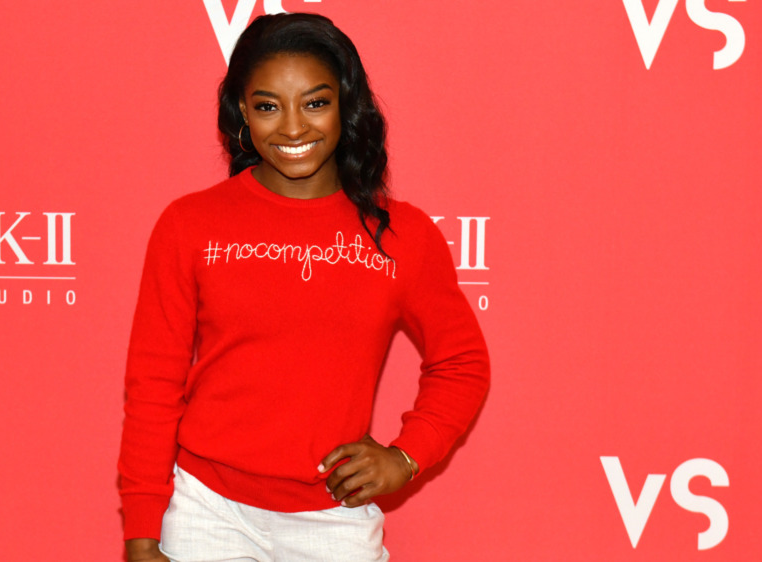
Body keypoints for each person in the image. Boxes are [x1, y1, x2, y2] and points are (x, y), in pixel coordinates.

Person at [119, 13, 489, 562]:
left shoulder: (402, 233)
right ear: (242, 112)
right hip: (206, 510)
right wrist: (143, 531)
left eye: (315, 102)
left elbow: (462, 363)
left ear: (346, 103)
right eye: (268, 106)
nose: (293, 128)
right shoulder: (189, 224)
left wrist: (405, 457)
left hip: (332, 520)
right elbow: (153, 385)